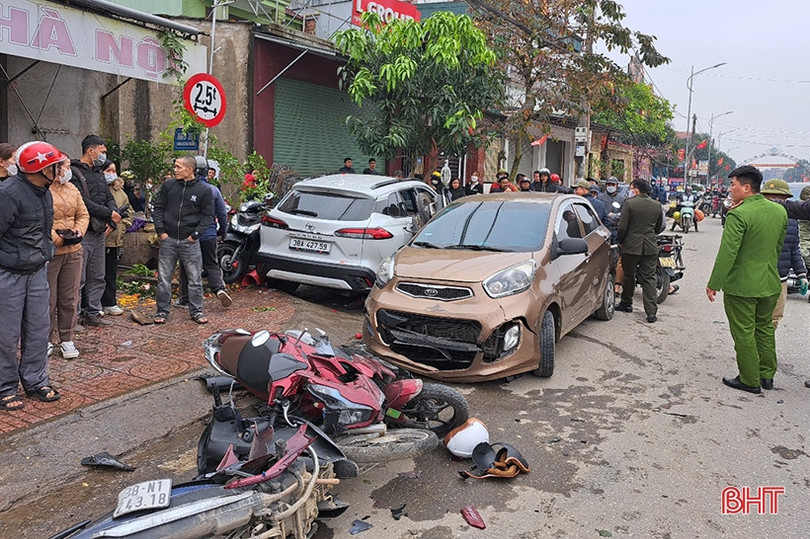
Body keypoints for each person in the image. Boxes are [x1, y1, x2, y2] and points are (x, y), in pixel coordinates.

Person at [706, 166, 786, 394]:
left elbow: (727, 253)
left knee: (743, 332)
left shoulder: (738, 214)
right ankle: (767, 375)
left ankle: (750, 380)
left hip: (742, 286)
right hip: (770, 283)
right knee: (764, 329)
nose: (730, 189)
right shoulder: (779, 211)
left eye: (732, 185)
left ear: (746, 187)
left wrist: (714, 283)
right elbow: (777, 248)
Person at [0, 141, 66, 410]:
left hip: (37, 270)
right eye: (55, 166)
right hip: (9, 274)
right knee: (6, 334)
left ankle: (36, 381)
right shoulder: (8, 194)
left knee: (39, 330)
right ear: (40, 169)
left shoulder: (45, 191)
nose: (61, 170)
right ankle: (4, 387)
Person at [152, 156, 215, 325]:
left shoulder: (204, 190)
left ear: (190, 169)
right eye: (175, 166)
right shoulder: (168, 186)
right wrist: (161, 231)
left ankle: (197, 310)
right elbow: (158, 208)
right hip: (169, 239)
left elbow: (208, 216)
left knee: (194, 279)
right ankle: (162, 311)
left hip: (190, 242)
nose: (175, 170)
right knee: (164, 279)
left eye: (179, 167)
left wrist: (195, 234)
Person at [70, 135, 121, 327]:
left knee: (97, 275)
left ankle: (93, 312)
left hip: (100, 231)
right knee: (78, 278)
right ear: (91, 151)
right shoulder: (75, 173)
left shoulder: (99, 173)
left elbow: (108, 196)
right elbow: (83, 201)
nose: (103, 156)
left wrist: (112, 215)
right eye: (102, 152)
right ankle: (73, 318)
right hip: (84, 231)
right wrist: (110, 212)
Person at [48, 157, 89, 359]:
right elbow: (40, 218)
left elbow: (83, 214)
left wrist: (78, 232)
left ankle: (67, 339)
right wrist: (56, 239)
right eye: (64, 167)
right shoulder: (44, 189)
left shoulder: (73, 188)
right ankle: (45, 339)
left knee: (69, 298)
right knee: (48, 299)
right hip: (51, 253)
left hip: (73, 251)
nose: (68, 170)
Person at [177, 158, 232, 309]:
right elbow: (222, 214)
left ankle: (185, 299)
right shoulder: (213, 190)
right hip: (209, 235)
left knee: (186, 266)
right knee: (212, 264)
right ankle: (219, 289)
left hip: (189, 236)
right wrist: (222, 232)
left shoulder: (185, 190)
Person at [759, 180, 807, 330]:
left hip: (780, 280)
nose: (775, 201)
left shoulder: (792, 220)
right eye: (770, 197)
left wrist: (802, 275)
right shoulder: (752, 216)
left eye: (780, 198)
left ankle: (763, 351)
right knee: (754, 319)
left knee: (773, 319)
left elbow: (794, 249)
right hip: (756, 278)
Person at [615, 179, 663, 323]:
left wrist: (621, 240)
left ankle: (626, 303)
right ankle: (651, 312)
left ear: (636, 189)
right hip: (650, 246)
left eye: (631, 188)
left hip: (631, 246)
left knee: (629, 275)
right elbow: (658, 228)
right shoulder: (657, 205)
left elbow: (622, 227)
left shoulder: (629, 204)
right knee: (649, 278)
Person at [101, 161, 130, 316]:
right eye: (108, 170)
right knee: (96, 274)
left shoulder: (120, 191)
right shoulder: (97, 188)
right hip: (100, 237)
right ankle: (93, 304)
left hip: (115, 239)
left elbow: (128, 212)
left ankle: (109, 302)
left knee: (111, 272)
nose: (112, 173)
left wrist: (122, 225)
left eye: (114, 170)